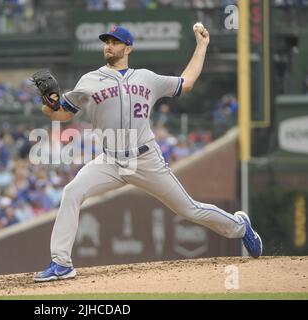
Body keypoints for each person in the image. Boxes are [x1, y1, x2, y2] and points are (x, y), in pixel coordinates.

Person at [34, 24, 262, 282]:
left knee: (189, 210)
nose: (108, 45)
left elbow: (186, 83)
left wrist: (202, 46)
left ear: (127, 48)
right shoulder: (88, 80)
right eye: (106, 41)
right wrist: (47, 103)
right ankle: (61, 263)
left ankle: (240, 227)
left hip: (145, 159)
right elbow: (60, 113)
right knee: (72, 192)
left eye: (114, 41)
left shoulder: (147, 78)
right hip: (110, 160)